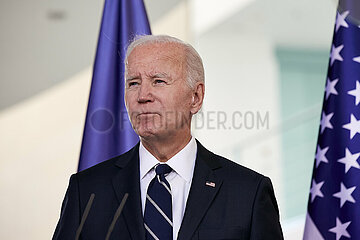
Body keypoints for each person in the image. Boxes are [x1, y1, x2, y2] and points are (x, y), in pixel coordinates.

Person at [53, 35, 283, 240]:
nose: (142, 95)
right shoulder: (87, 190)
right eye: (133, 83)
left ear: (195, 97)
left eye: (158, 81)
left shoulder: (248, 192)